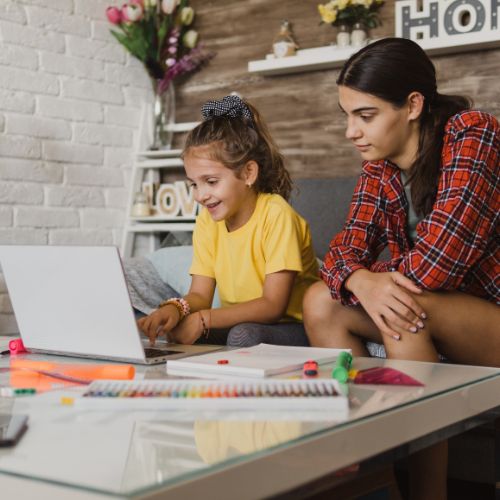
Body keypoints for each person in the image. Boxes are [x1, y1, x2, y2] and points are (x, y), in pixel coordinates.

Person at [303, 38, 499, 500]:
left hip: (491, 316)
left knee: (402, 304)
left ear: (412, 105)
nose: (351, 131)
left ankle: (428, 493)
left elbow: (439, 260)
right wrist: (359, 279)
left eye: (365, 116)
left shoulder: (474, 134)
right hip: (429, 306)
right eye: (346, 115)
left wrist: (375, 284)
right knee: (319, 300)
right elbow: (340, 252)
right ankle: (371, 475)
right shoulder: (379, 169)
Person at [138, 95, 319, 348]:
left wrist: (204, 319)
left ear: (248, 173)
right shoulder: (207, 220)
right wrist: (175, 309)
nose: (200, 195)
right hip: (237, 322)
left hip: (291, 325)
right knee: (171, 328)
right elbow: (201, 294)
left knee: (243, 335)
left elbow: (272, 306)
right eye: (193, 184)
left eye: (211, 182)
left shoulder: (277, 215)